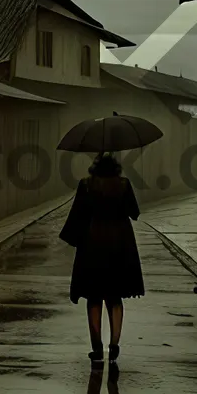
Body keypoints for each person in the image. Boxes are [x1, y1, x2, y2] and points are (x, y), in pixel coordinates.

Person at [59, 151, 145, 370]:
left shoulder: (86, 185)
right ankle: (114, 345)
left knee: (94, 297)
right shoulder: (123, 184)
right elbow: (134, 213)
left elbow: (77, 216)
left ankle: (97, 349)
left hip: (92, 245)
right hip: (120, 245)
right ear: (115, 168)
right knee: (115, 298)